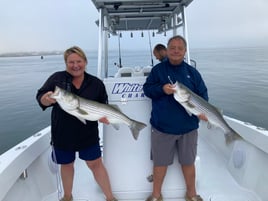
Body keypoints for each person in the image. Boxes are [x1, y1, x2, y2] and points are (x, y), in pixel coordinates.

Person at [36, 46, 118, 201]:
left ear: (85, 62)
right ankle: (68, 197)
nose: (75, 65)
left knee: (95, 164)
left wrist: (103, 116)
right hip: (62, 133)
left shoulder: (96, 83)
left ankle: (110, 197)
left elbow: (103, 104)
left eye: (79, 61)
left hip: (88, 134)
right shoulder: (57, 79)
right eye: (71, 62)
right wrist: (45, 100)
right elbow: (41, 95)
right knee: (67, 165)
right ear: (66, 63)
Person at [143, 35, 208, 201]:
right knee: (160, 163)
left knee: (188, 163)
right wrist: (162, 89)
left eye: (180, 48)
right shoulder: (158, 70)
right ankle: (156, 195)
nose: (176, 51)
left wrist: (203, 111)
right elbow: (147, 89)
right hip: (162, 128)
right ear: (167, 50)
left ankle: (191, 194)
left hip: (188, 128)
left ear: (185, 51)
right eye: (172, 48)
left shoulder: (193, 73)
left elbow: (203, 96)